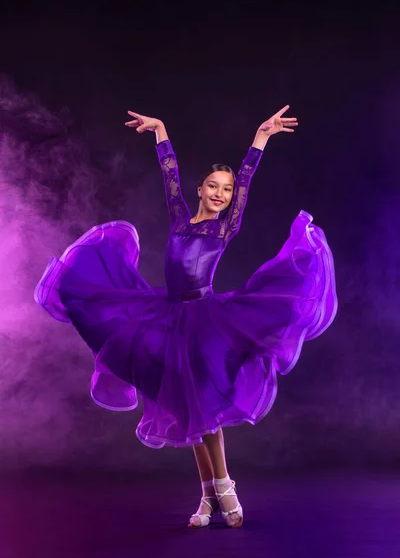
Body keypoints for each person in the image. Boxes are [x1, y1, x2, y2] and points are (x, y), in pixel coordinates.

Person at [35, 105, 337, 529]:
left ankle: (223, 487)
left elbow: (248, 177)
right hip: (166, 317)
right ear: (199, 190)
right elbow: (169, 174)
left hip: (207, 320)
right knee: (185, 408)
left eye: (227, 190)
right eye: (213, 186)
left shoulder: (224, 227)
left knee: (205, 408)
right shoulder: (180, 217)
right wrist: (159, 131)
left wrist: (261, 138)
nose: (220, 194)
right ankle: (209, 498)